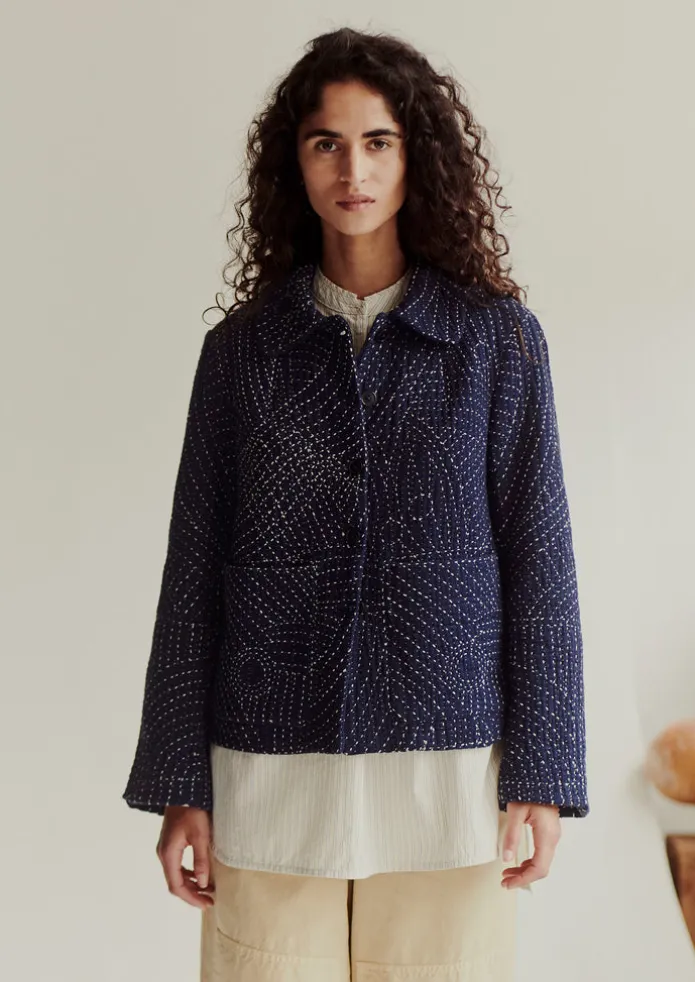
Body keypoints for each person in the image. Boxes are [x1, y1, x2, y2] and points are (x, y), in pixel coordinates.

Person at [123, 26, 589, 982]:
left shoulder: (496, 342)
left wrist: (544, 773)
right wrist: (179, 781)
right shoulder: (243, 353)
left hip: (448, 773)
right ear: (293, 163)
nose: (353, 170)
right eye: (325, 143)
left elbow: (539, 560)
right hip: (268, 769)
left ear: (417, 156)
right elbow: (192, 568)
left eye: (378, 141)